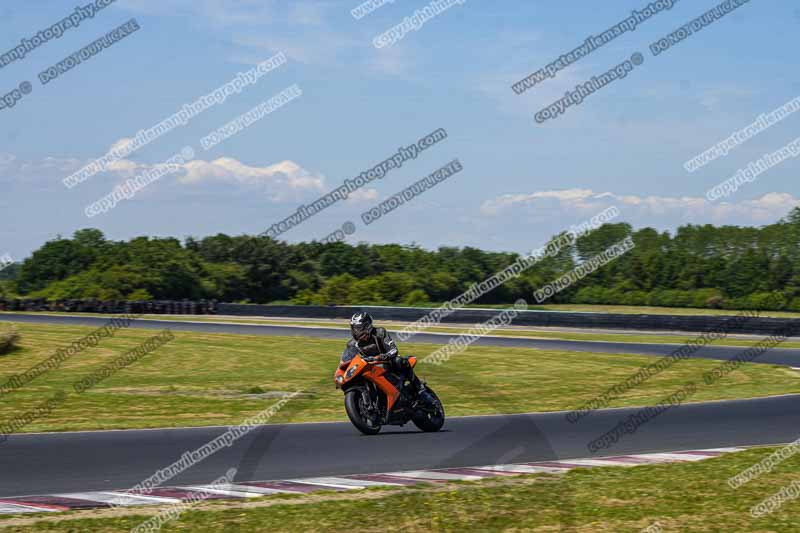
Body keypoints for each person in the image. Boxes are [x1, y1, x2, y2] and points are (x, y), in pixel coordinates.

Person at [342, 312, 425, 396]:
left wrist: (384, 356)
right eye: (354, 328)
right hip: (369, 367)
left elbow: (393, 349)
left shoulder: (380, 332)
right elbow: (347, 359)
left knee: (399, 360)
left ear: (367, 326)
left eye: (358, 328)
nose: (356, 331)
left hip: (388, 362)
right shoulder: (352, 344)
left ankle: (418, 386)